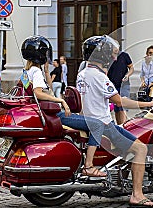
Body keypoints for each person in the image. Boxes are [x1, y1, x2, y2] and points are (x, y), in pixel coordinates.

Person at [79, 35, 153, 208]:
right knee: (140, 149)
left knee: (129, 137)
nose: (114, 58)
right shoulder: (100, 77)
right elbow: (119, 101)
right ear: (102, 56)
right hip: (105, 125)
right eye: (111, 54)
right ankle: (137, 195)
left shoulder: (83, 74)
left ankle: (121, 181)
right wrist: (149, 103)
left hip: (89, 120)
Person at [20, 35, 106, 177]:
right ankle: (89, 165)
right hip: (55, 114)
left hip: (47, 113)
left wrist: (47, 72)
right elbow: (38, 93)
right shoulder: (35, 72)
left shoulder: (27, 71)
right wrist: (61, 101)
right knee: (97, 125)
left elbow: (44, 88)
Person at [107, 46, 134, 124]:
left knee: (122, 106)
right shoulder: (108, 56)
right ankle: (120, 127)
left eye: (116, 47)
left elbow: (131, 68)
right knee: (116, 108)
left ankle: (123, 127)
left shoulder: (124, 55)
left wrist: (127, 75)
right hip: (112, 85)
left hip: (123, 84)